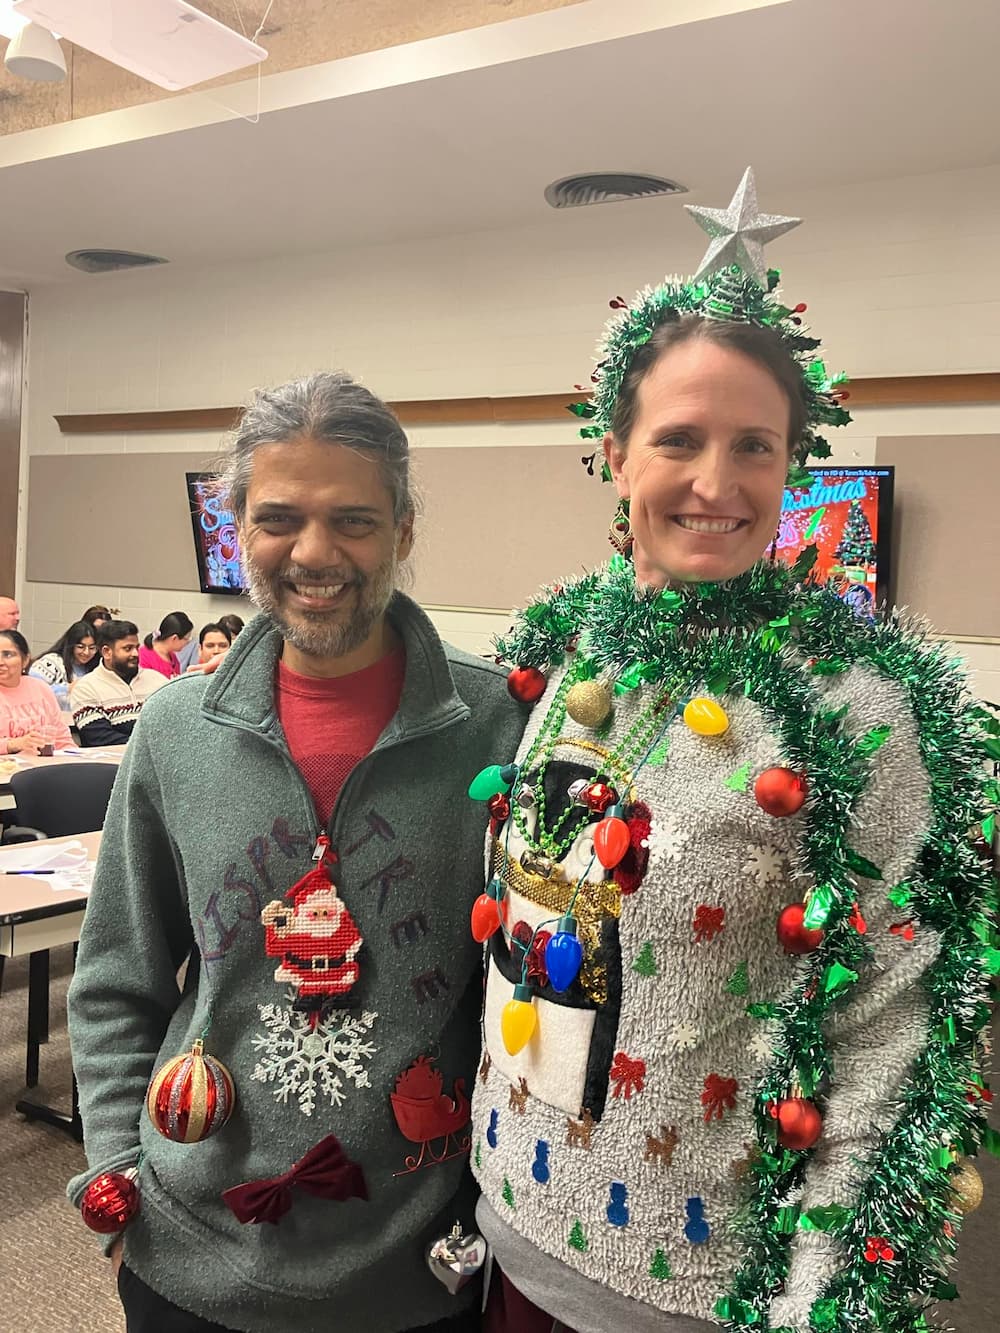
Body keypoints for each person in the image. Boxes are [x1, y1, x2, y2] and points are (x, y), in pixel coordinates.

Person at [471, 170, 996, 1333]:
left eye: (754, 445)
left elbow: (893, 1029)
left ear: (791, 465)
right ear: (614, 452)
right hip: (504, 1236)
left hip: (699, 1292)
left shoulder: (859, 705)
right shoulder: (561, 649)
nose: (716, 482)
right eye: (678, 439)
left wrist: (823, 1302)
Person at [67, 371, 527, 1333]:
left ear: (403, 529)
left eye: (354, 520)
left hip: (417, 1264)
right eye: (278, 518)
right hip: (186, 1246)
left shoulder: (499, 725)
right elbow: (117, 978)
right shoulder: (175, 729)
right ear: (237, 525)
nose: (315, 553)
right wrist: (115, 1171)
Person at [70, 620, 166, 747]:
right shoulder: (86, 688)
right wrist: (152, 747)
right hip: (111, 763)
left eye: (136, 647)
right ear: (106, 652)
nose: (136, 654)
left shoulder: (157, 680)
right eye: (127, 648)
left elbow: (174, 723)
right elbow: (100, 738)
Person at [0, 629, 73, 754]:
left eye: (8, 655)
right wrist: (12, 744)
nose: (0, 662)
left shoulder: (40, 687)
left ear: (25, 659)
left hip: (45, 765)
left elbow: (62, 737)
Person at [29, 619, 99, 710]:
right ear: (71, 645)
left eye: (92, 648)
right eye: (80, 647)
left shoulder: (92, 668)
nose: (86, 652)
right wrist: (67, 688)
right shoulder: (51, 662)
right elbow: (32, 691)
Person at [139, 611, 194, 679]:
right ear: (174, 638)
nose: (187, 642)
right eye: (186, 639)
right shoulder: (143, 656)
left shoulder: (172, 657)